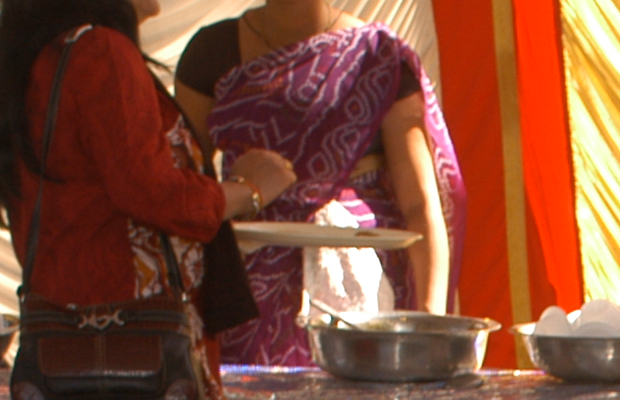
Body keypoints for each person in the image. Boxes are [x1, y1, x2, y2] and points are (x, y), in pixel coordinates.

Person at [0, 0, 297, 400]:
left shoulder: (45, 56)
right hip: (142, 379)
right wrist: (250, 190)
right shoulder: (100, 51)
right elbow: (150, 191)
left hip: (93, 365)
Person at [174, 0, 461, 365]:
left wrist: (429, 324)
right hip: (246, 294)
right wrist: (249, 188)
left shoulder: (377, 56)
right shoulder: (212, 53)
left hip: (367, 288)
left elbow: (420, 206)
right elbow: (185, 190)